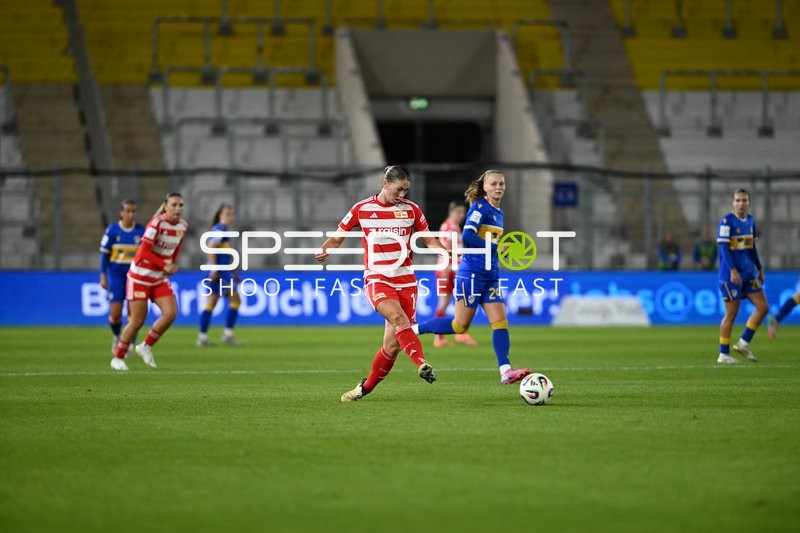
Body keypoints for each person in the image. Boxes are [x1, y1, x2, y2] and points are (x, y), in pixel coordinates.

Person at [315, 165, 446, 401]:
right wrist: (325, 249)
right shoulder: (362, 209)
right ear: (384, 184)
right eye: (398, 189)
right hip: (377, 277)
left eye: (406, 190)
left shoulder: (411, 210)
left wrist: (446, 253)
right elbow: (337, 237)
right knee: (398, 319)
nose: (402, 195)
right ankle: (422, 362)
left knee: (392, 345)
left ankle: (364, 388)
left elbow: (429, 239)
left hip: (406, 280)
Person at [412, 169, 531, 385]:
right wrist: (495, 245)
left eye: (501, 183)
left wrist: (498, 252)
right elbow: (467, 235)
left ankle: (506, 370)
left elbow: (489, 245)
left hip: (490, 275)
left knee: (500, 322)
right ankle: (412, 331)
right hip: (472, 274)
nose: (498, 187)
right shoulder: (479, 208)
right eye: (494, 183)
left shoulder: (499, 212)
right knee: (460, 326)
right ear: (484, 187)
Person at [110, 192, 188, 371]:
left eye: (181, 205)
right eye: (174, 205)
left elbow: (175, 249)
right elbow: (142, 252)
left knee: (171, 313)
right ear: (166, 206)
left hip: (158, 277)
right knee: (138, 320)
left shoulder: (183, 226)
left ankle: (145, 346)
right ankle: (118, 357)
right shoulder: (157, 223)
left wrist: (171, 265)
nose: (178, 209)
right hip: (140, 276)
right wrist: (163, 264)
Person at [716, 188, 769, 364]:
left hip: (748, 273)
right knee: (731, 314)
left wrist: (759, 268)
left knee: (763, 308)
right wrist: (732, 270)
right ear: (733, 202)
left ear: (749, 203)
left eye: (744, 200)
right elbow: (724, 248)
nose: (741, 204)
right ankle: (723, 354)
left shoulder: (751, 221)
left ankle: (743, 343)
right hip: (731, 275)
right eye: (738, 200)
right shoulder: (726, 222)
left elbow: (751, 247)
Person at [99, 199, 144, 355]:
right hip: (116, 276)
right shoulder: (112, 230)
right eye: (128, 211)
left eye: (133, 211)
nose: (131, 214)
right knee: (115, 314)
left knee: (134, 314)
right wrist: (103, 274)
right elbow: (104, 255)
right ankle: (117, 335)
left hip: (135, 277)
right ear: (121, 212)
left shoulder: (141, 232)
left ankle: (130, 344)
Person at [432, 200, 478, 348]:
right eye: (459, 212)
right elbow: (445, 251)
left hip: (453, 269)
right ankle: (441, 337)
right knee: (448, 303)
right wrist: (446, 270)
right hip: (448, 270)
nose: (462, 215)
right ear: (451, 212)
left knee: (460, 301)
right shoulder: (448, 227)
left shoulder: (454, 227)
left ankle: (458, 334)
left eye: (463, 213)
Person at [197, 203, 242, 347]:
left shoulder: (223, 231)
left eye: (232, 214)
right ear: (220, 215)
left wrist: (233, 272)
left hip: (222, 272)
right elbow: (210, 247)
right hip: (219, 273)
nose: (231, 217)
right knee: (235, 301)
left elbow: (224, 256)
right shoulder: (219, 230)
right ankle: (227, 335)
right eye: (227, 214)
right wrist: (215, 269)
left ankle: (202, 337)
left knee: (211, 303)